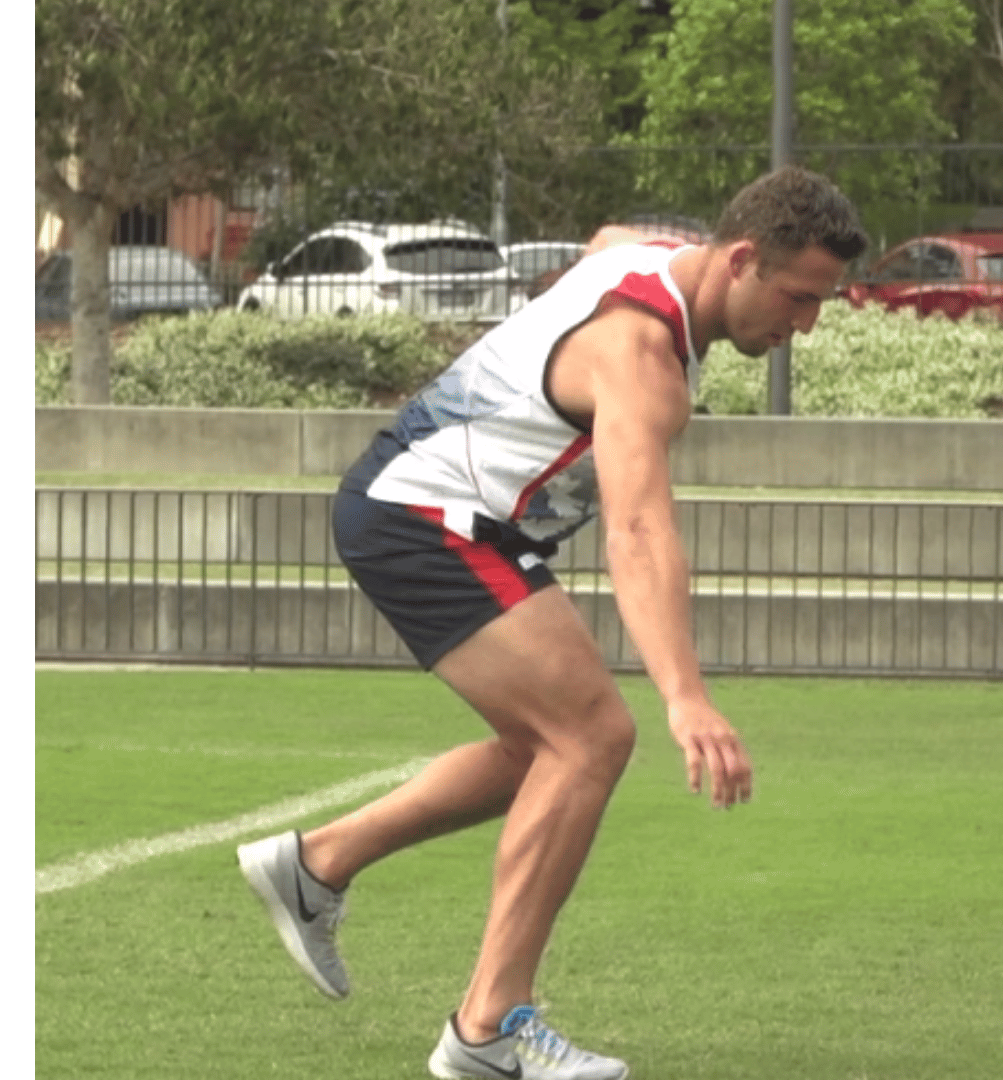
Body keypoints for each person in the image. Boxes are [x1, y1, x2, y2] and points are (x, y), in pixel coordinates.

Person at [235, 166, 869, 1079]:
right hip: (426, 519)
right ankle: (485, 1032)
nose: (804, 325)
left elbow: (605, 238)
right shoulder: (642, 360)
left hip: (443, 515)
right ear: (739, 259)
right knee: (592, 736)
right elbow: (641, 528)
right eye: (800, 297)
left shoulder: (654, 258)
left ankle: (321, 864)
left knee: (548, 746)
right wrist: (686, 697)